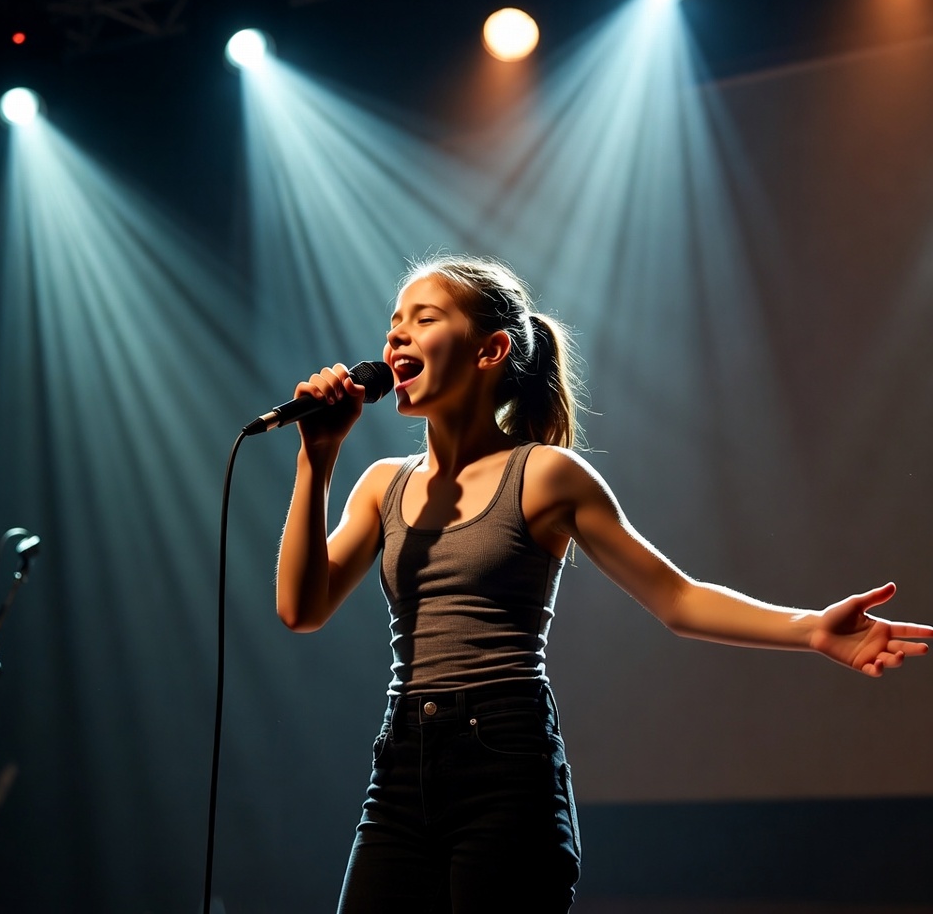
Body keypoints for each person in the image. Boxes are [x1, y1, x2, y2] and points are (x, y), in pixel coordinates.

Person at [275, 253, 933, 914]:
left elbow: (676, 597)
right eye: (393, 323)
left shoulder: (544, 475)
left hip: (502, 760)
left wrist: (811, 627)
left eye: (424, 319)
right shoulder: (381, 485)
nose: (395, 337)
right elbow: (301, 608)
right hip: (399, 767)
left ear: (490, 350)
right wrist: (317, 458)